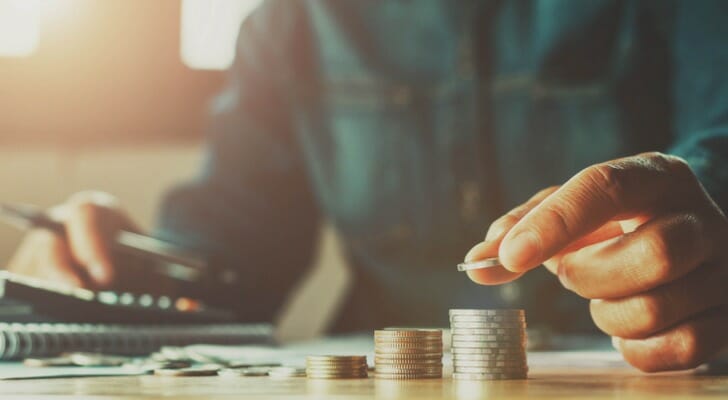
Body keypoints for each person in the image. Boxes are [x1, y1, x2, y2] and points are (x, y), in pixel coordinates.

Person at [6, 0, 727, 372]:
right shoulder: (292, 23)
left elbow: (719, 144)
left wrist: (700, 223)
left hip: (647, 376)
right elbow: (226, 259)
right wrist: (109, 266)